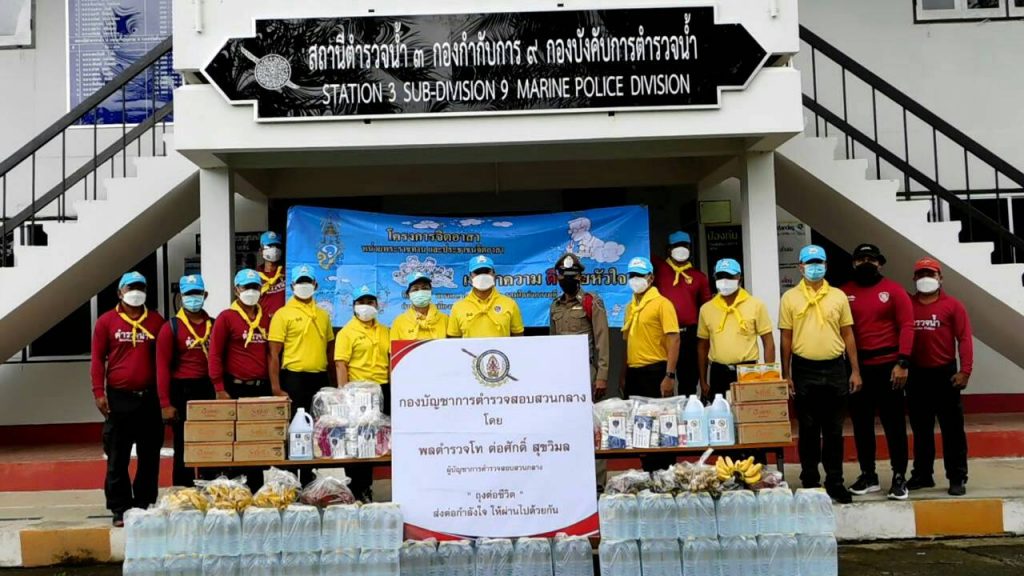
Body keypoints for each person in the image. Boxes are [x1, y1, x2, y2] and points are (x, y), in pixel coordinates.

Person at [779, 245, 861, 503]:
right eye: (810, 263)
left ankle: (835, 481)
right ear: (800, 267)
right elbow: (786, 337)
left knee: (834, 430)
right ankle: (810, 480)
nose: (815, 267)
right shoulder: (790, 298)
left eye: (819, 262)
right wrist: (786, 373)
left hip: (835, 368)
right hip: (804, 369)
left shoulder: (838, 296)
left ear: (825, 265)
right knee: (808, 429)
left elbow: (848, 333)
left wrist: (855, 370)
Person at [90, 271, 166, 526]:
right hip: (119, 398)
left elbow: (164, 361)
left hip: (149, 398)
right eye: (131, 288)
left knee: (149, 455)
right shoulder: (106, 322)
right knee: (117, 456)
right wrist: (98, 393)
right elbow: (97, 359)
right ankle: (120, 507)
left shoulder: (156, 321)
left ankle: (144, 503)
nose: (136, 292)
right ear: (120, 292)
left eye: (140, 288)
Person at [841, 244, 915, 501]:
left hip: (889, 367)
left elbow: (907, 325)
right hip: (858, 368)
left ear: (880, 263)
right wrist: (852, 369)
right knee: (861, 424)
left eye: (871, 259)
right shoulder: (843, 293)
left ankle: (899, 477)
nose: (866, 263)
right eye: (861, 258)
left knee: (894, 425)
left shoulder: (894, 290)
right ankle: (868, 475)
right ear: (853, 263)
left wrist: (903, 362)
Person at [907, 257, 973, 496]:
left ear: (940, 278)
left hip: (945, 374)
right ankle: (923, 474)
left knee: (952, 430)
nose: (926, 278)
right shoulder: (907, 304)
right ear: (914, 278)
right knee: (921, 429)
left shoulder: (953, 306)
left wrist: (965, 370)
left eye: (931, 274)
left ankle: (957, 476)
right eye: (921, 274)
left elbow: (964, 338)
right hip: (916, 374)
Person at [549, 253, 611, 490]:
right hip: (562, 375)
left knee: (592, 427)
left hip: (586, 371)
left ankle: (597, 484)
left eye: (572, 276)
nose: (568, 280)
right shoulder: (555, 306)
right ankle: (571, 481)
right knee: (566, 426)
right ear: (558, 278)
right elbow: (552, 342)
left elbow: (602, 341)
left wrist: (602, 376)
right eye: (564, 276)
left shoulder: (591, 302)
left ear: (580, 277)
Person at [157, 274, 218, 487]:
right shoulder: (170, 328)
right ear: (181, 297)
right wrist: (165, 403)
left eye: (197, 293)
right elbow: (162, 367)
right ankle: (183, 492)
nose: (193, 298)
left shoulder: (214, 325)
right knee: (183, 444)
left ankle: (212, 489)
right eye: (189, 294)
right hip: (182, 390)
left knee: (211, 441)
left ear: (205, 295)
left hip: (208, 388)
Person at [621, 256, 680, 472]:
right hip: (635, 373)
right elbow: (629, 342)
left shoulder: (662, 304)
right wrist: (624, 374)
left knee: (661, 427)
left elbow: (674, 339)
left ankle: (666, 474)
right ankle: (648, 473)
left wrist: (669, 375)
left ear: (651, 278)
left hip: (656, 372)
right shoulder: (630, 307)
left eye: (640, 275)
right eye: (632, 275)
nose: (635, 279)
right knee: (640, 428)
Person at [335, 284, 392, 502]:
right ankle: (357, 489)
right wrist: (343, 394)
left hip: (383, 388)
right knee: (359, 440)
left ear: (377, 305)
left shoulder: (385, 330)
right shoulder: (347, 332)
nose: (366, 306)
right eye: (361, 302)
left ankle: (371, 487)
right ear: (354, 306)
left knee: (380, 440)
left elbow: (390, 360)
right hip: (358, 392)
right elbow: (341, 364)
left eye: (370, 302)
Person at [696, 258, 775, 400]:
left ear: (739, 278)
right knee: (720, 412)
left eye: (729, 276)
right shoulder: (706, 309)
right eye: (720, 276)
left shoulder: (756, 305)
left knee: (749, 411)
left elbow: (768, 342)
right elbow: (702, 346)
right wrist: (703, 380)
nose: (724, 280)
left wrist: (769, 377)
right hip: (718, 371)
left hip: (747, 370)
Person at [269, 265, 336, 414]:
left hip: (321, 378)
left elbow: (330, 350)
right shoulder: (282, 314)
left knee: (322, 422)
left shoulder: (323, 315)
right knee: (297, 424)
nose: (304, 285)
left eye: (307, 281)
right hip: (294, 378)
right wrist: (276, 387)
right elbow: (273, 354)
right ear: (292, 286)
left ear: (315, 285)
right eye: (300, 282)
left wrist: (334, 383)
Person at [654, 231, 711, 396]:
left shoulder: (699, 277)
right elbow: (640, 246)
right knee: (663, 380)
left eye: (684, 245)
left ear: (690, 249)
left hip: (689, 335)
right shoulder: (659, 269)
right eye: (676, 245)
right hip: (663, 333)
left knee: (688, 382)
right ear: (668, 249)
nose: (681, 249)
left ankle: (688, 409)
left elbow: (707, 308)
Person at [209, 269, 273, 399]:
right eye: (246, 287)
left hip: (263, 387)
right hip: (236, 387)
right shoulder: (226, 317)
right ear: (236, 290)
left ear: (261, 289)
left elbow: (272, 353)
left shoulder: (266, 318)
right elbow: (215, 354)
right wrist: (219, 388)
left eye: (255, 287)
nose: (251, 291)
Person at [447, 255, 525, 338]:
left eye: (486, 272)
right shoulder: (458, 307)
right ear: (470, 278)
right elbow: (453, 341)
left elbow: (518, 339)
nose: (482, 276)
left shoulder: (510, 304)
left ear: (494, 275)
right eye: (477, 272)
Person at [390, 272, 448, 341]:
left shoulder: (445, 320)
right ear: (408, 295)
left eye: (425, 288)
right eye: (415, 289)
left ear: (431, 292)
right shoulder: (399, 322)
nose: (420, 292)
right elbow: (395, 347)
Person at [258, 231, 286, 317]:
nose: (274, 249)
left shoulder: (287, 273)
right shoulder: (256, 276)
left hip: (284, 321)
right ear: (261, 251)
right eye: (269, 246)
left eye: (277, 246)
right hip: (263, 322)